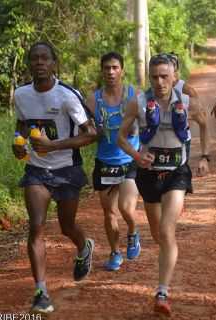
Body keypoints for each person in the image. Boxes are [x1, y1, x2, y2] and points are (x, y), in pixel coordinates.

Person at [117, 54, 210, 316]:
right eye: (155, 76)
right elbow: (121, 138)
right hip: (148, 175)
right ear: (149, 77)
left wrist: (204, 157)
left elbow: (205, 125)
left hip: (176, 173)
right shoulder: (138, 103)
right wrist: (137, 156)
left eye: (164, 76)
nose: (159, 82)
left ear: (174, 77)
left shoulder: (188, 103)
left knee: (168, 232)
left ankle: (162, 292)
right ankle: (167, 253)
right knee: (159, 235)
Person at [12, 41, 97, 314]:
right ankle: (41, 291)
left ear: (53, 63)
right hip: (36, 171)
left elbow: (92, 133)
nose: (39, 63)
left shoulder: (67, 96)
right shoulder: (21, 94)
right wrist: (19, 142)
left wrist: (54, 146)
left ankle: (84, 247)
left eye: (44, 58)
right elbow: (23, 124)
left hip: (67, 170)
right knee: (36, 226)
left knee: (67, 227)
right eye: (34, 58)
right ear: (29, 64)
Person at [85, 52, 141, 271]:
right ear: (102, 71)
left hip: (129, 159)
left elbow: (148, 122)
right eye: (106, 68)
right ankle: (115, 252)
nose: (110, 72)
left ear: (122, 70)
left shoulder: (133, 94)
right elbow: (86, 128)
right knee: (109, 212)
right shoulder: (93, 99)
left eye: (115, 67)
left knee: (126, 208)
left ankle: (133, 232)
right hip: (105, 162)